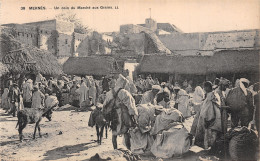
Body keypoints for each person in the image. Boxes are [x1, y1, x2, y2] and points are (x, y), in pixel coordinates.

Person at [103, 74, 138, 150]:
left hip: (114, 115)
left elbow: (105, 105)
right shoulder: (125, 93)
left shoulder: (109, 93)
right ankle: (129, 149)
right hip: (123, 115)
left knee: (114, 133)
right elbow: (130, 105)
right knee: (126, 133)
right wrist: (133, 115)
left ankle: (115, 149)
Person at [194, 81, 222, 150]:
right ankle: (210, 148)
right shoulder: (212, 95)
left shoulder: (211, 96)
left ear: (207, 87)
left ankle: (210, 148)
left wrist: (207, 119)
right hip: (213, 118)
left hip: (211, 118)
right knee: (211, 135)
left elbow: (209, 109)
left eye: (204, 87)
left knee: (210, 135)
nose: (204, 89)